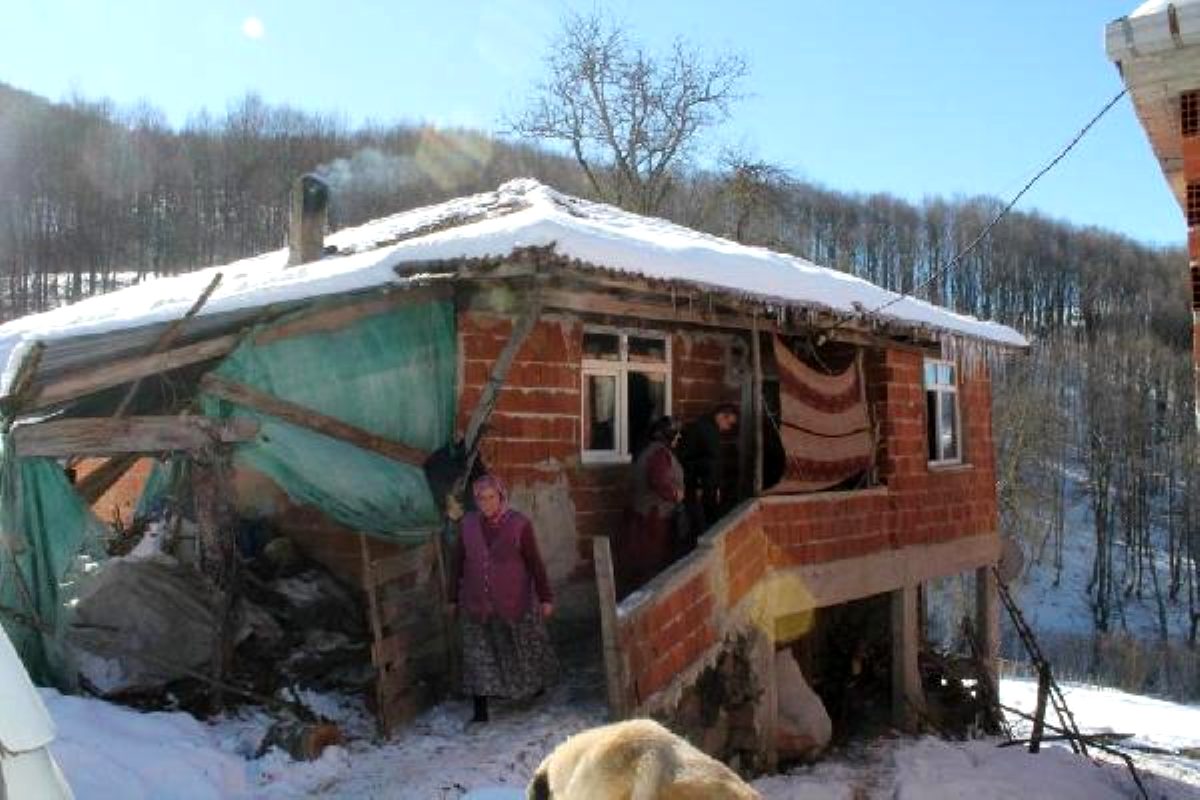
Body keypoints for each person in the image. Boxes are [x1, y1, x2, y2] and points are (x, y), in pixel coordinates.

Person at [448, 474, 557, 725]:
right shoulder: (468, 524)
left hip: (514, 598)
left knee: (521, 647)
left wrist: (545, 597)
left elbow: (535, 563)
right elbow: (457, 563)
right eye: (481, 499)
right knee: (478, 654)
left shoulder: (519, 524)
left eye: (491, 498)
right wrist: (452, 597)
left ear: (501, 497)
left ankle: (534, 685)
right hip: (475, 600)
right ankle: (480, 709)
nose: (486, 504)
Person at [618, 416, 685, 598]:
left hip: (645, 515)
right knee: (651, 562)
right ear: (667, 435)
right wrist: (676, 494)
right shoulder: (659, 454)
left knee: (644, 562)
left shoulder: (649, 450)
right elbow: (658, 480)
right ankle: (645, 603)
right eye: (676, 434)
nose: (678, 438)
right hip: (653, 518)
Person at [676, 403, 739, 540]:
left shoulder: (712, 430)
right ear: (722, 416)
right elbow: (685, 459)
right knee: (701, 531)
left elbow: (713, 462)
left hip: (709, 489)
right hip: (699, 491)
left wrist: (716, 487)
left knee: (711, 528)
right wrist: (697, 484)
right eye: (730, 424)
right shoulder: (700, 428)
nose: (729, 429)